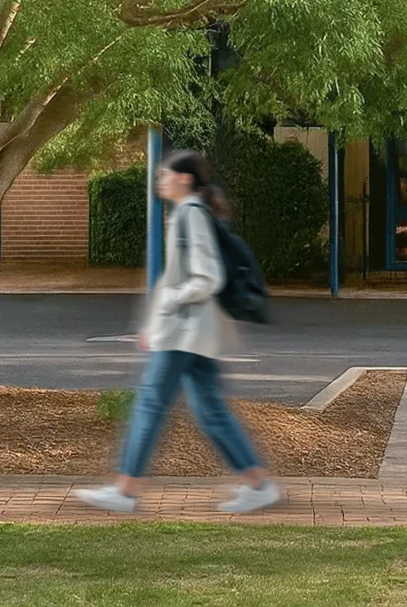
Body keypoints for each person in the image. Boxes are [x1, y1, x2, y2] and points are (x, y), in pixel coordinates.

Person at [73, 150, 282, 515]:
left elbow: (208, 277)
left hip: (185, 332)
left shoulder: (190, 215)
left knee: (150, 404)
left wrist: (168, 301)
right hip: (193, 333)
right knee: (210, 410)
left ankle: (125, 490)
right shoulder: (187, 214)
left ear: (184, 180)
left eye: (165, 175)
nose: (160, 181)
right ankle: (259, 484)